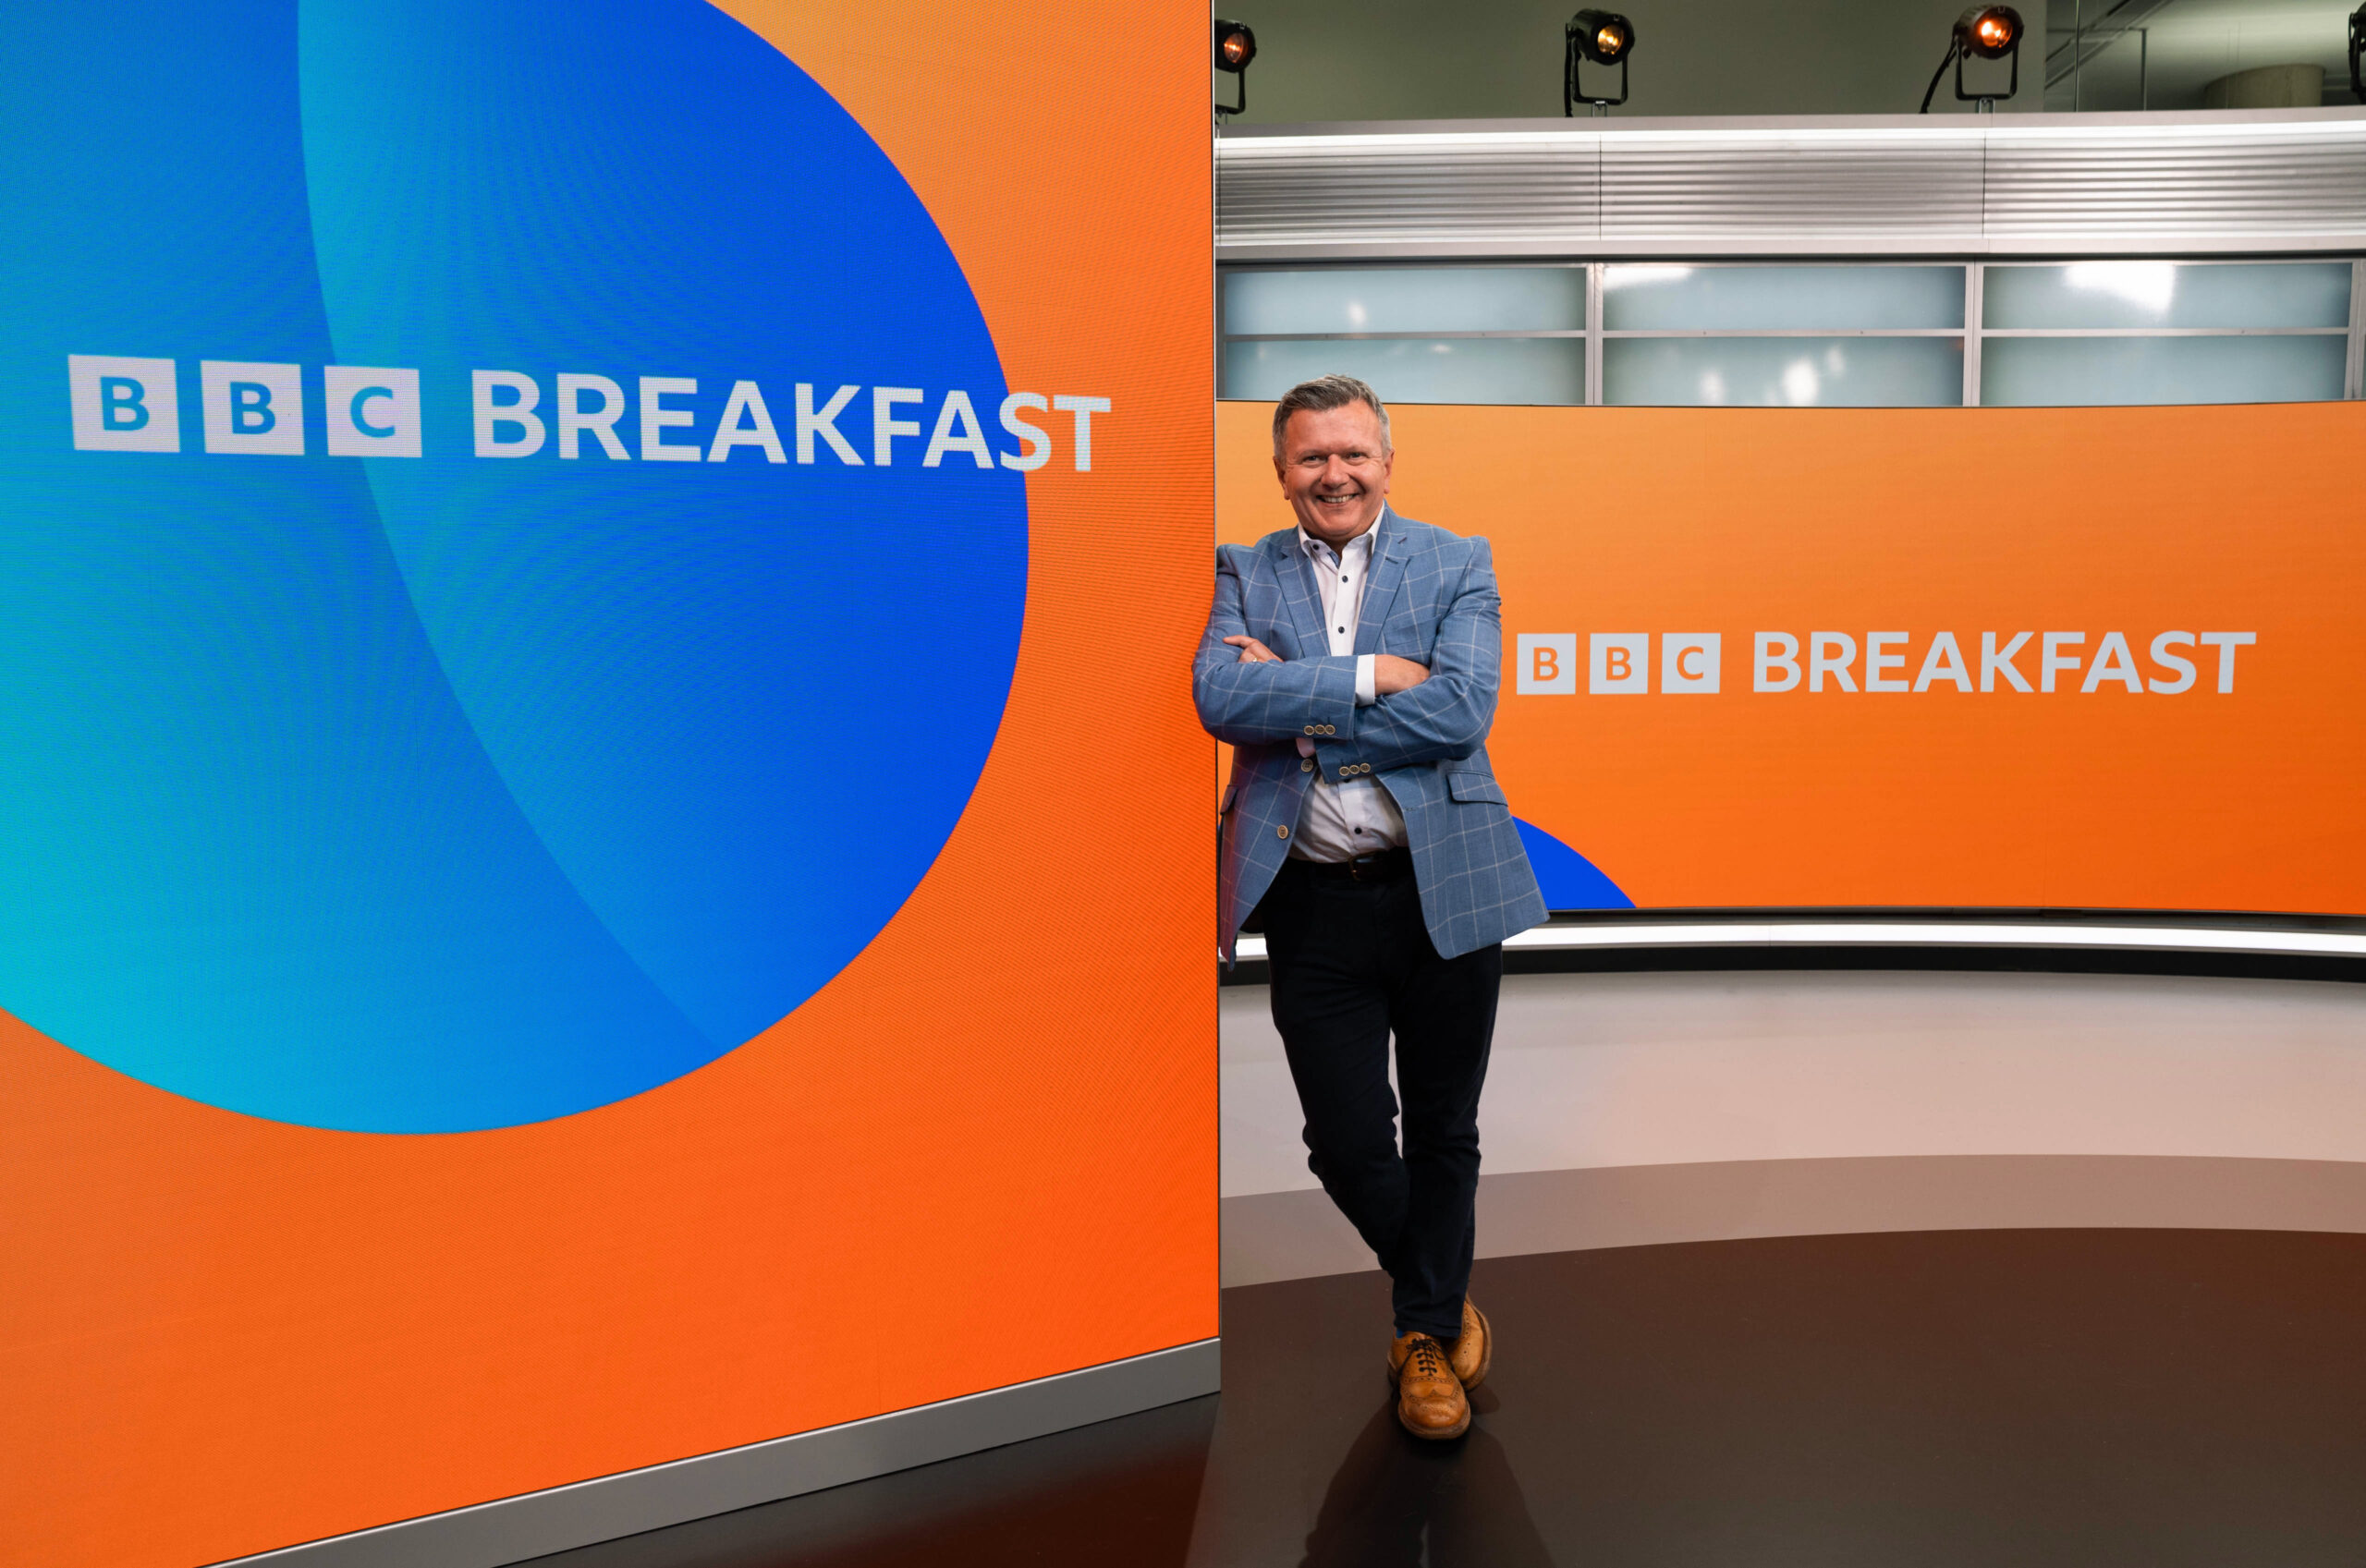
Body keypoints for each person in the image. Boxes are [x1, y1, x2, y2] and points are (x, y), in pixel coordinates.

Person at [1193, 373, 1545, 1440]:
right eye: (1311, 458)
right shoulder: (1242, 569)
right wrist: (1369, 675)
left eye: (1352, 454)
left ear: (1386, 460)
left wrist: (1301, 713)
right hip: (1312, 905)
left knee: (1445, 1126)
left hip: (1446, 886)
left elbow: (1462, 707)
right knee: (1345, 1138)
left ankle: (1422, 1340)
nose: (1333, 475)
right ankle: (1440, 1290)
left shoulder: (1456, 559)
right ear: (1282, 471)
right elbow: (1217, 695)